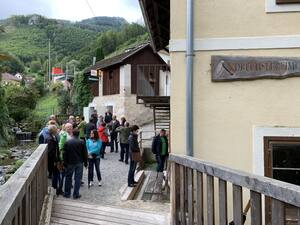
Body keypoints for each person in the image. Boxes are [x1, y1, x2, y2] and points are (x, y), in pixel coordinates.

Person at [63, 129, 87, 199]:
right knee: (78, 179)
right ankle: (76, 194)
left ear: (72, 134)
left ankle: (67, 193)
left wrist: (65, 163)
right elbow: (85, 153)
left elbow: (65, 154)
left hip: (70, 162)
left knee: (68, 177)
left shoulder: (67, 142)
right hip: (79, 162)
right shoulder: (82, 142)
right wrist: (86, 163)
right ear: (78, 134)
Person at [45, 125, 60, 192]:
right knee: (56, 173)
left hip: (54, 159)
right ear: (53, 130)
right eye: (56, 129)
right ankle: (54, 188)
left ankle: (56, 187)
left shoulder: (53, 137)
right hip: (52, 160)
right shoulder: (50, 138)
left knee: (56, 173)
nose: (57, 130)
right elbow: (50, 151)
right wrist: (55, 160)